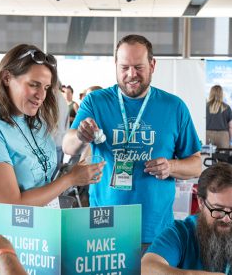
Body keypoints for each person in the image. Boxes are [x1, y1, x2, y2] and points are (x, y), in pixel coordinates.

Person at [0, 44, 105, 250]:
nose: (41, 95)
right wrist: (70, 179)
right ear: (7, 78)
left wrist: (71, 172)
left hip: (38, 245)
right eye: (34, 84)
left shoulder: (34, 122)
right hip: (2, 252)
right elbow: (12, 205)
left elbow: (41, 183)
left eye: (46, 88)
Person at [63, 34, 201, 246]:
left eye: (139, 67)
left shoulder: (174, 107)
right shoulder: (96, 101)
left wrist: (171, 166)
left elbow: (196, 165)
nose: (131, 74)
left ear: (152, 65)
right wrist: (81, 135)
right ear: (116, 65)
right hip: (104, 226)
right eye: (125, 67)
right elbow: (68, 146)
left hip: (155, 231)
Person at [141, 162, 232, 275]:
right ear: (201, 202)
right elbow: (145, 269)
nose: (227, 219)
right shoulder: (180, 233)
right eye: (218, 210)